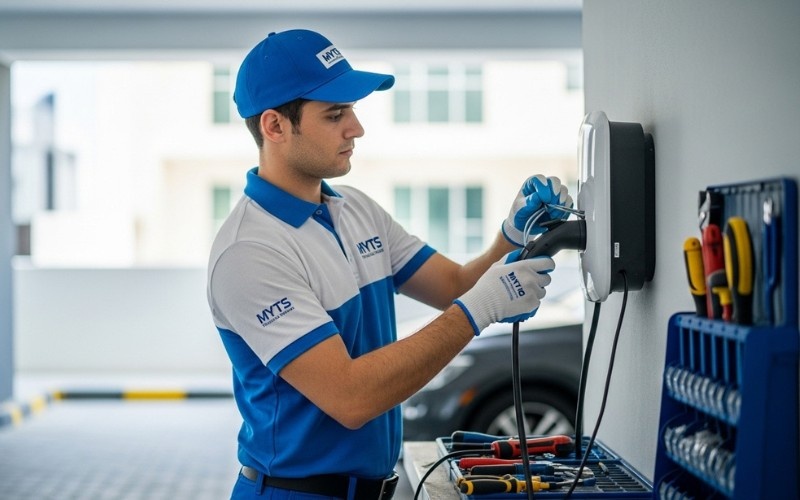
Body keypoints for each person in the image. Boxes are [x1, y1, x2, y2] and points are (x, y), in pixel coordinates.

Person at [206, 28, 574, 500]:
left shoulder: (355, 208)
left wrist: (512, 236)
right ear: (275, 126)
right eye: (335, 114)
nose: (355, 128)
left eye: (353, 111)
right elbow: (351, 397)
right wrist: (480, 309)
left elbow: (455, 285)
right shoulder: (250, 251)